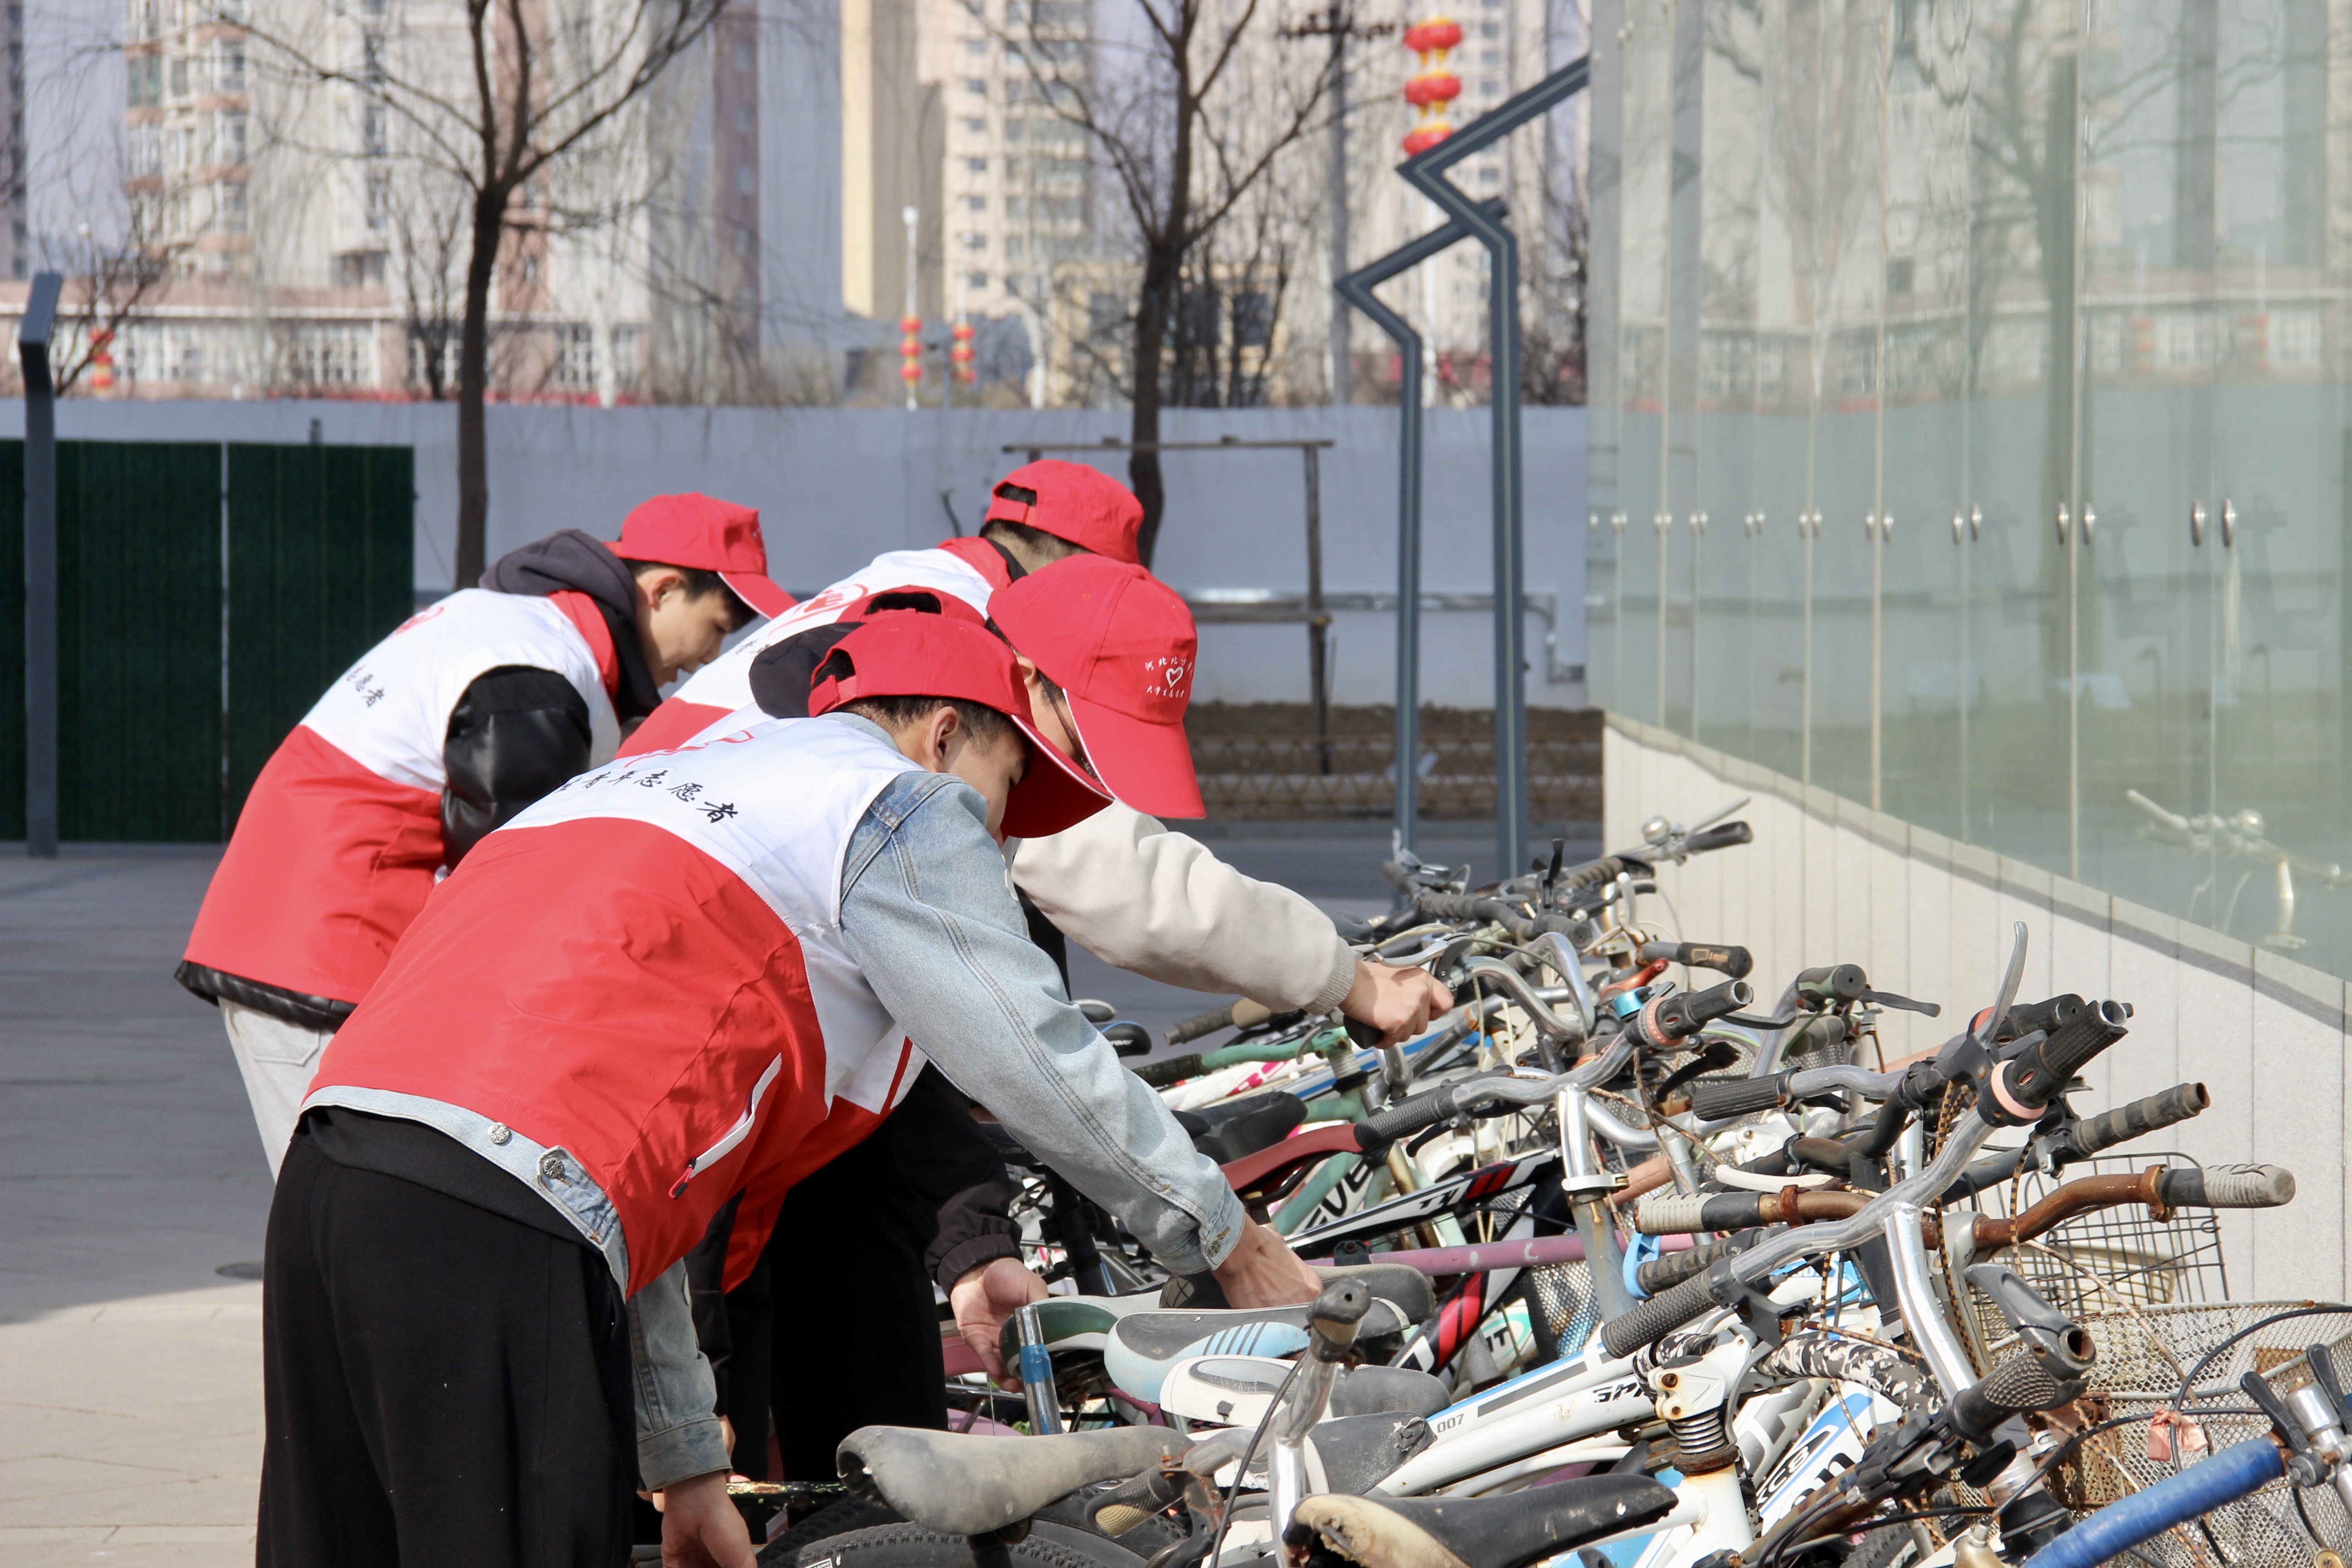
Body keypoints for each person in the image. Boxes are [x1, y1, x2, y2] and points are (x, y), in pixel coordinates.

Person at [262, 611, 1323, 1568]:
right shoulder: (892, 803)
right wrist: (1224, 1236)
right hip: (496, 1222)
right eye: (1007, 787)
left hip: (336, 1168)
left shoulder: (648, 789)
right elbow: (1036, 1055)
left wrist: (685, 1464)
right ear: (942, 737)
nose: (1000, 833)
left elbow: (621, 1164)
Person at [677, 556, 1452, 1480]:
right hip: (671, 1172)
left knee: (818, 1456)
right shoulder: (921, 734)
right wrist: (1227, 1231)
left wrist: (970, 1242)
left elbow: (912, 1051)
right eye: (1070, 754)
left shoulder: (911, 678)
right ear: (1013, 691)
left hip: (728, 1154)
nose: (1059, 791)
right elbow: (1078, 972)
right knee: (715, 1460)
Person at [177, 493, 789, 1173]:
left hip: (303, 933)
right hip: (331, 952)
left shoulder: (516, 628)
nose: (707, 658)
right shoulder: (532, 672)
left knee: (357, 1211)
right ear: (664, 590)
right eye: (717, 627)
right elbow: (512, 886)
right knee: (359, 1211)